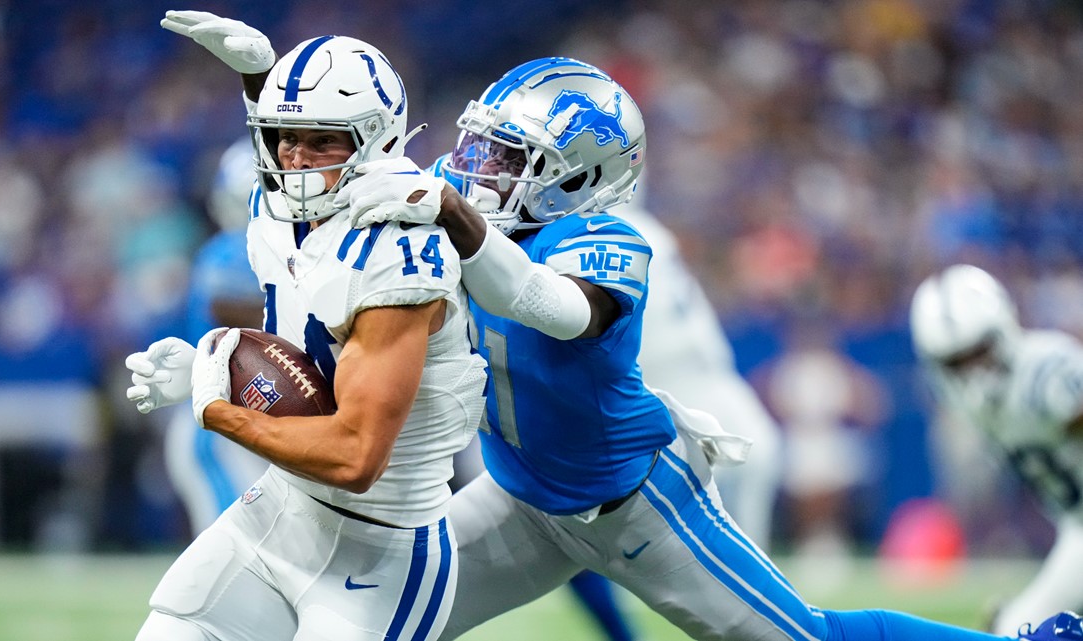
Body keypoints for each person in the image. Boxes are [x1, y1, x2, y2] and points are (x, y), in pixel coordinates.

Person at [342, 57, 1082, 640]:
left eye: (507, 158)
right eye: (480, 148)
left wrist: (454, 220)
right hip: (520, 496)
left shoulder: (605, 238)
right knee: (374, 618)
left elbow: (550, 305)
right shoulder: (460, 206)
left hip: (631, 503)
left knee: (802, 636)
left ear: (579, 177)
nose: (476, 169)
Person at [125, 22, 486, 641]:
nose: (295, 159)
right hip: (279, 512)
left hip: (381, 550)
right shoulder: (274, 203)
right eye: (282, 140)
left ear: (378, 145)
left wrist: (217, 404)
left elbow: (355, 457)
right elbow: (295, 157)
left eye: (323, 142)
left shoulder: (399, 254)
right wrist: (257, 76)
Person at [910, 264, 1083, 635]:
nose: (973, 372)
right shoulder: (965, 404)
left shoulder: (1046, 374)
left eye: (979, 353)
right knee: (1012, 627)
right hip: (1076, 529)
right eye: (957, 362)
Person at [620, 197, 782, 550]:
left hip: (705, 372)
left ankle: (752, 565)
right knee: (693, 483)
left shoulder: (646, 229)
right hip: (664, 381)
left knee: (760, 452)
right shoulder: (599, 232)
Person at [161, 137, 268, 534]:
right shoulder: (229, 252)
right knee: (236, 547)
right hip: (218, 423)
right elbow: (242, 315)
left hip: (248, 420)